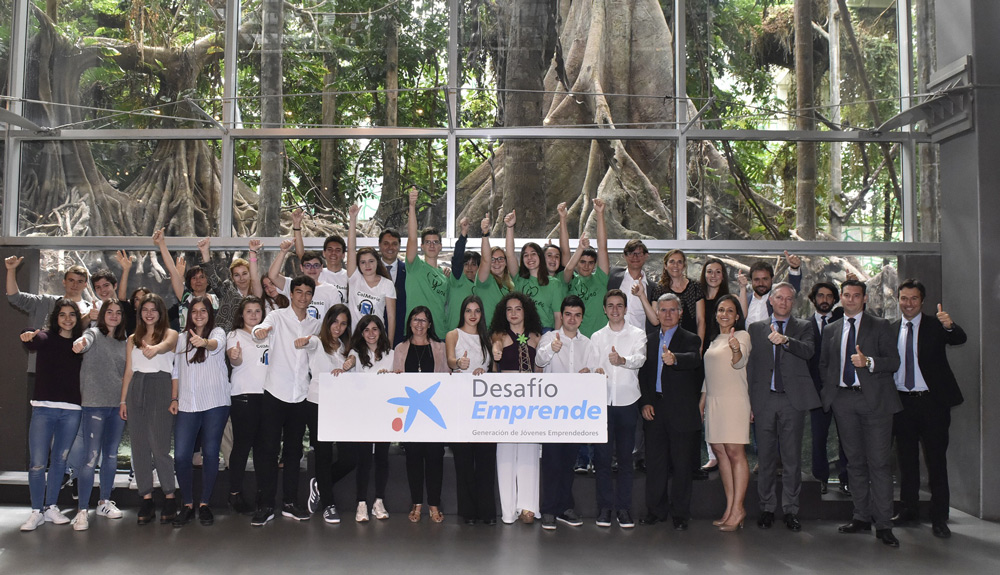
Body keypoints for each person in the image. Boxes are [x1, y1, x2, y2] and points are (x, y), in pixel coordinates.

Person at [819, 279, 902, 547]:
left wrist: (869, 362)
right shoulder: (831, 329)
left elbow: (894, 361)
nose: (851, 300)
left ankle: (885, 524)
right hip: (844, 401)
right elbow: (824, 364)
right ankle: (861, 516)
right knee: (853, 463)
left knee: (878, 464)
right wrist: (832, 390)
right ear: (840, 298)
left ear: (865, 299)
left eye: (856, 295)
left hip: (875, 402)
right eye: (847, 295)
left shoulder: (880, 325)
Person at [890, 279, 967, 539]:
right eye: (904, 298)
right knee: (906, 461)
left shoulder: (936, 325)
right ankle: (908, 509)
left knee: (936, 461)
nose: (908, 303)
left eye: (913, 298)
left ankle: (939, 517)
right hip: (902, 403)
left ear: (922, 301)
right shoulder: (889, 329)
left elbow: (959, 338)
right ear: (898, 300)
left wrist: (950, 325)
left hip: (933, 403)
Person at [746, 282, 819, 532]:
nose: (784, 302)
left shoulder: (804, 327)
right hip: (764, 400)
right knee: (765, 458)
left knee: (791, 459)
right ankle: (766, 508)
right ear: (771, 300)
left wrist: (786, 340)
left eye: (789, 299)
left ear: (793, 302)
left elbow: (809, 352)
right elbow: (751, 368)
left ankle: (791, 510)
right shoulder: (756, 329)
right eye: (779, 298)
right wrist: (750, 403)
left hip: (792, 400)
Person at [250, 276, 322, 526]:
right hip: (275, 393)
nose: (303, 297)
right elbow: (260, 332)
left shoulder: (316, 323)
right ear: (291, 294)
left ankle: (290, 503)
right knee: (268, 451)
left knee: (294, 452)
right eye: (299, 292)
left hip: (301, 395)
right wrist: (261, 330)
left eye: (308, 293)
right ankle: (266, 504)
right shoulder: (277, 316)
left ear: (312, 296)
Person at [637, 293, 704, 531]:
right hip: (654, 409)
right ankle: (655, 511)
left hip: (681, 411)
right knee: (655, 464)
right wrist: (645, 402)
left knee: (682, 466)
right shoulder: (649, 340)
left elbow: (694, 359)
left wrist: (675, 358)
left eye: (672, 310)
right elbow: (643, 375)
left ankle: (680, 515)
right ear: (656, 313)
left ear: (681, 313)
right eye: (663, 310)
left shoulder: (691, 338)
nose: (667, 314)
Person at [17, 299, 85, 532]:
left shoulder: (81, 344)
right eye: (63, 314)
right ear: (56, 318)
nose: (67, 319)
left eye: (72, 315)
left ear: (77, 318)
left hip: (71, 412)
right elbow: (33, 336)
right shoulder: (47, 338)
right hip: (43, 409)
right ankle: (36, 511)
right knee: (37, 463)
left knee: (59, 461)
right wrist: (27, 333)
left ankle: (51, 507)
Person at [535, 295, 596, 530]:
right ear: (561, 315)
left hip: (575, 411)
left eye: (577, 315)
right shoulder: (550, 337)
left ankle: (564, 507)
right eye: (568, 314)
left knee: (568, 461)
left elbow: (591, 371)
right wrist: (552, 348)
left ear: (581, 318)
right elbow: (539, 360)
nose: (572, 319)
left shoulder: (587, 343)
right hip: (551, 410)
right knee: (551, 460)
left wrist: (588, 373)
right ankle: (548, 509)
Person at [119, 293, 179, 525]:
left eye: (154, 309)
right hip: (136, 389)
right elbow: (128, 372)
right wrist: (123, 401)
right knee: (139, 445)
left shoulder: (170, 333)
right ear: (140, 312)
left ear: (160, 312)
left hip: (160, 386)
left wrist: (155, 349)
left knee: (160, 445)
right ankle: (146, 496)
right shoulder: (132, 339)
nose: (149, 313)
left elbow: (167, 346)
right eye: (145, 309)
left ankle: (170, 495)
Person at [589, 288, 647, 528]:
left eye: (619, 305)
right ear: (604, 309)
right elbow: (591, 365)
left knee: (625, 459)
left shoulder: (637, 334)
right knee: (602, 460)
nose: (615, 310)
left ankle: (623, 509)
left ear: (625, 308)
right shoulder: (596, 337)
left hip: (627, 402)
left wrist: (622, 361)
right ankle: (604, 509)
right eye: (610, 305)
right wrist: (596, 371)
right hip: (601, 404)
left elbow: (640, 359)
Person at [171, 296, 230, 527]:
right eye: (194, 311)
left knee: (211, 453)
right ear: (188, 314)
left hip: (215, 402)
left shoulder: (218, 333)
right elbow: (176, 371)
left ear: (209, 312)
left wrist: (203, 343)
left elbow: (215, 346)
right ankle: (187, 503)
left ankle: (205, 503)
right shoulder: (181, 338)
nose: (198, 314)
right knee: (182, 455)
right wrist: (174, 397)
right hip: (187, 403)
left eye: (202, 310)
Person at [70, 299, 128, 530]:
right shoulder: (92, 333)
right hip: (94, 405)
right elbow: (84, 342)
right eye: (109, 312)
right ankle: (82, 510)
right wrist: (79, 343)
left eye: (118, 312)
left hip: (117, 406)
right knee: (90, 458)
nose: (113, 316)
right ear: (102, 315)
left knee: (111, 456)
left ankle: (104, 502)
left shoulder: (125, 341)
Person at [489, 291, 543, 524]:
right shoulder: (498, 335)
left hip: (531, 397)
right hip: (505, 399)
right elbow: (495, 357)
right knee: (506, 452)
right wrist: (496, 351)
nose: (513, 313)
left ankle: (529, 507)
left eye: (518, 309)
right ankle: (508, 509)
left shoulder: (537, 337)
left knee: (530, 450)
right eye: (509, 309)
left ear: (526, 310)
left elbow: (542, 369)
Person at [302, 304, 358, 524]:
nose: (338, 327)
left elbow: (354, 364)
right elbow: (309, 342)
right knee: (323, 456)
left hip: (340, 407)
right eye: (335, 322)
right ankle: (328, 505)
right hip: (316, 404)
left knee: (349, 458)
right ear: (327, 322)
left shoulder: (346, 348)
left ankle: (320, 484)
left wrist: (350, 362)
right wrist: (304, 341)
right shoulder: (317, 342)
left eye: (343, 323)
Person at [393, 306, 450, 523]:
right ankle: (416, 503)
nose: (419, 324)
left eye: (424, 320)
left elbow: (446, 378)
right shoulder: (400, 348)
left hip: (434, 414)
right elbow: (394, 382)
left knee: (435, 458)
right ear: (409, 323)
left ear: (430, 324)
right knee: (413, 459)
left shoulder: (440, 348)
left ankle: (434, 504)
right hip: (410, 415)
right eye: (416, 320)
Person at [446, 295, 497, 526]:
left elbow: (494, 372)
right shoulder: (453, 335)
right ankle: (467, 513)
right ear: (463, 312)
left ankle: (487, 512)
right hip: (459, 404)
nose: (473, 314)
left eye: (477, 310)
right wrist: (459, 364)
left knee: (486, 460)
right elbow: (449, 361)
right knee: (464, 461)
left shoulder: (488, 338)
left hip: (485, 406)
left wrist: (485, 375)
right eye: (468, 310)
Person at [703, 294, 751, 532]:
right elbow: (708, 374)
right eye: (721, 310)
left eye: (730, 311)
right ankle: (730, 508)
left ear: (737, 316)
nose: (724, 314)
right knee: (721, 452)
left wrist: (735, 350)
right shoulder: (713, 340)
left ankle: (739, 508)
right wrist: (702, 401)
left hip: (734, 401)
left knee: (734, 452)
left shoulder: (741, 336)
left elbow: (739, 363)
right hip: (713, 402)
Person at [347, 314, 395, 522]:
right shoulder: (355, 353)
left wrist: (391, 376)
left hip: (384, 413)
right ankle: (361, 503)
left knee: (382, 459)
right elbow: (349, 374)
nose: (371, 334)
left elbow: (399, 380)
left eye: (375, 329)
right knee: (364, 459)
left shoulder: (391, 354)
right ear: (361, 333)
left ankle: (379, 501)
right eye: (366, 330)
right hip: (363, 413)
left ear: (381, 331)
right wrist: (346, 365)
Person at [226, 296, 269, 515]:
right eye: (249, 311)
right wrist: (234, 356)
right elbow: (235, 360)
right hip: (243, 397)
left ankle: (263, 494)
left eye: (257, 311)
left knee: (263, 449)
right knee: (242, 447)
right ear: (241, 314)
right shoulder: (234, 335)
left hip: (268, 397)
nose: (253, 315)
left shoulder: (270, 335)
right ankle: (234, 493)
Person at [806, 282, 848, 494]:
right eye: (820, 296)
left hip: (840, 390)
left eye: (829, 296)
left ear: (834, 299)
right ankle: (819, 479)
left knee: (846, 437)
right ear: (813, 298)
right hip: (815, 392)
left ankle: (846, 479)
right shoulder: (804, 324)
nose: (824, 300)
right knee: (818, 437)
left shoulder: (843, 321)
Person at [559, 198, 610, 338]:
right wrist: (563, 218)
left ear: (595, 264)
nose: (586, 266)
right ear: (576, 263)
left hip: (600, 338)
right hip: (576, 338)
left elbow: (603, 247)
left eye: (590, 262)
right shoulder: (571, 280)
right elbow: (567, 263)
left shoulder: (600, 278)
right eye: (582, 262)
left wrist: (600, 214)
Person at [504, 210, 563, 330]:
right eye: (525, 255)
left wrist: (556, 338)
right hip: (522, 331)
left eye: (533, 254)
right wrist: (510, 227)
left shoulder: (554, 283)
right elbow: (509, 254)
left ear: (540, 257)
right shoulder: (520, 279)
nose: (529, 258)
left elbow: (558, 316)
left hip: (545, 331)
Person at [347, 204, 397, 341]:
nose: (367, 265)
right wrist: (353, 219)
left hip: (378, 340)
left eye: (371, 261)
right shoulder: (354, 277)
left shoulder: (387, 284)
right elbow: (351, 249)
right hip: (355, 340)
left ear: (377, 262)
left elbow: (391, 318)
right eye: (363, 262)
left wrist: (390, 345)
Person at [153, 228, 219, 331]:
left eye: (202, 277)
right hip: (188, 344)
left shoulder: (217, 299)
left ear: (208, 281)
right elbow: (172, 270)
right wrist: (161, 243)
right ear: (189, 282)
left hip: (214, 344)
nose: (198, 280)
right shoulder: (185, 297)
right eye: (194, 278)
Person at [636, 250, 706, 347]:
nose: (675, 265)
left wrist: (700, 346)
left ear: (684, 265)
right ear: (665, 265)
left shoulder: (695, 287)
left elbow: (700, 320)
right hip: (667, 342)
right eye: (672, 261)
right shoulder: (659, 289)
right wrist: (642, 295)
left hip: (690, 342)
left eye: (679, 262)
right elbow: (655, 321)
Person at [405, 186, 449, 332]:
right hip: (415, 334)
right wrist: (412, 206)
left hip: (440, 333)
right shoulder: (415, 266)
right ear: (422, 246)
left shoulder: (445, 275)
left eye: (435, 242)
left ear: (440, 246)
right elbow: (412, 237)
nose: (431, 245)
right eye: (428, 242)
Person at [196, 237, 264, 331]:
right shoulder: (227, 289)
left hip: (249, 337)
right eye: (237, 275)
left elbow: (255, 279)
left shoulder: (256, 293)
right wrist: (204, 252)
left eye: (244, 273)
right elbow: (212, 277)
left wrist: (253, 252)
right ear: (232, 277)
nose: (241, 278)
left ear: (250, 274)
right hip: (222, 338)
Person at [268, 239, 342, 322]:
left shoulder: (331, 290)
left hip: (320, 333)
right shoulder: (292, 285)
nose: (312, 269)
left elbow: (336, 317)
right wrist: (283, 252)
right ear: (301, 268)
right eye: (308, 265)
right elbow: (272, 276)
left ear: (321, 268)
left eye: (316, 265)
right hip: (296, 332)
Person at [292, 208, 349, 305]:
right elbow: (301, 254)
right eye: (330, 250)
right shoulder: (317, 272)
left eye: (338, 250)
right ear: (324, 253)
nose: (333, 253)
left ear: (343, 255)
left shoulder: (349, 276)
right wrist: (297, 225)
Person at [474, 212, 514, 328]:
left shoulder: (511, 284)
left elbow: (510, 253)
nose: (496, 262)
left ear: (506, 262)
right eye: (493, 259)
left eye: (500, 259)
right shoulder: (484, 280)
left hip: (507, 335)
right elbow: (485, 260)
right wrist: (485, 233)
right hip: (486, 335)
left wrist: (510, 227)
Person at [606, 240, 656, 332]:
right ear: (625, 256)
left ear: (646, 256)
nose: (635, 257)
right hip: (612, 336)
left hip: (639, 340)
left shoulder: (653, 288)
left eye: (639, 253)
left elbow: (655, 320)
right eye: (630, 253)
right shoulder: (613, 276)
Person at [743, 252, 802, 325]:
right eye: (757, 280)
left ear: (772, 279)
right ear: (751, 280)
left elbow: (793, 290)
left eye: (765, 279)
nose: (761, 283)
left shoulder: (777, 298)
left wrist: (794, 268)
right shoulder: (744, 301)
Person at [445, 218, 479, 332]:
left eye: (473, 264)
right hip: (453, 336)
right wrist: (463, 234)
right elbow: (457, 258)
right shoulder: (457, 280)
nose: (469, 268)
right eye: (466, 264)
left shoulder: (483, 285)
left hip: (476, 337)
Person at [378, 228, 407, 346]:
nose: (390, 247)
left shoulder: (408, 271)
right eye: (386, 243)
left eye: (394, 244)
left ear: (399, 246)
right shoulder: (370, 270)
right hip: (373, 332)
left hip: (402, 334)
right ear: (379, 245)